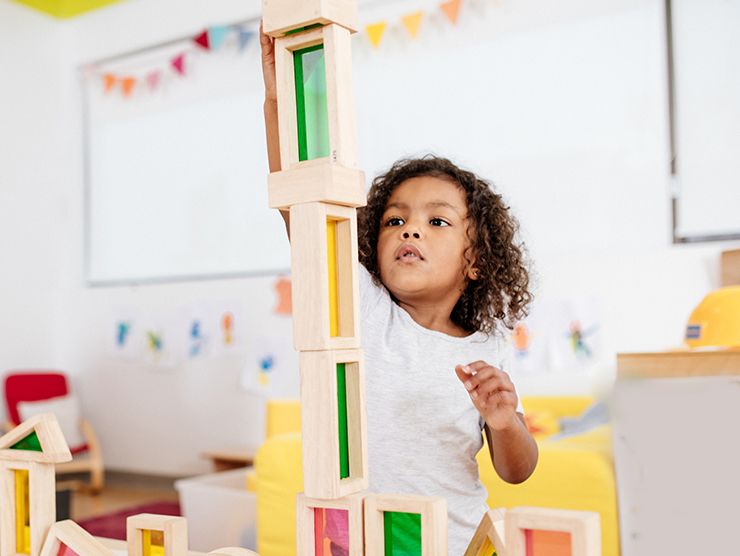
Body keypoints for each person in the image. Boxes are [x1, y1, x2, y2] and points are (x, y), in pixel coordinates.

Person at [260, 25, 538, 555]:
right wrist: (278, 101)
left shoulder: (485, 348)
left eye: (437, 223)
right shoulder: (360, 305)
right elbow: (303, 200)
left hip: (457, 542)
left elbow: (516, 470)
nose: (410, 230)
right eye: (393, 221)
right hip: (360, 541)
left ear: (475, 259)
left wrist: (504, 423)